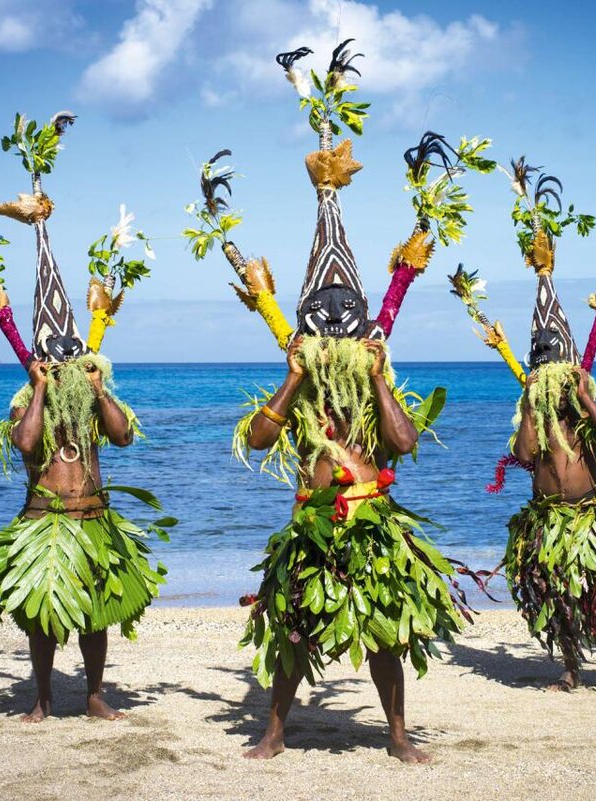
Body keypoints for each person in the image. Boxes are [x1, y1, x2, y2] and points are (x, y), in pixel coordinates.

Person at [188, 41, 472, 762]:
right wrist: (291, 374)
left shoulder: (374, 379)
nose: (336, 338)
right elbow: (257, 441)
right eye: (326, 328)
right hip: (311, 520)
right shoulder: (302, 380)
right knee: (290, 625)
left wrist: (378, 375)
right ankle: (275, 728)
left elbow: (405, 444)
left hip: (372, 520)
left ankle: (398, 734)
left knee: (386, 634)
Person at [0, 109, 169, 722]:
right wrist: (34, 388)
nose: (64, 374)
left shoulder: (92, 390)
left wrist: (99, 386)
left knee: (96, 613)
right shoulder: (23, 400)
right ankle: (40, 697)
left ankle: (94, 695)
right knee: (42, 619)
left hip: (94, 517)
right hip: (44, 520)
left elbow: (125, 438)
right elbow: (27, 443)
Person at [451, 164, 596, 693]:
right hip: (546, 515)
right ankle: (570, 669)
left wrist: (581, 399)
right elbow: (527, 457)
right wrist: (530, 404)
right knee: (556, 594)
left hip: (588, 514)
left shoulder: (584, 410)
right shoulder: (534, 410)